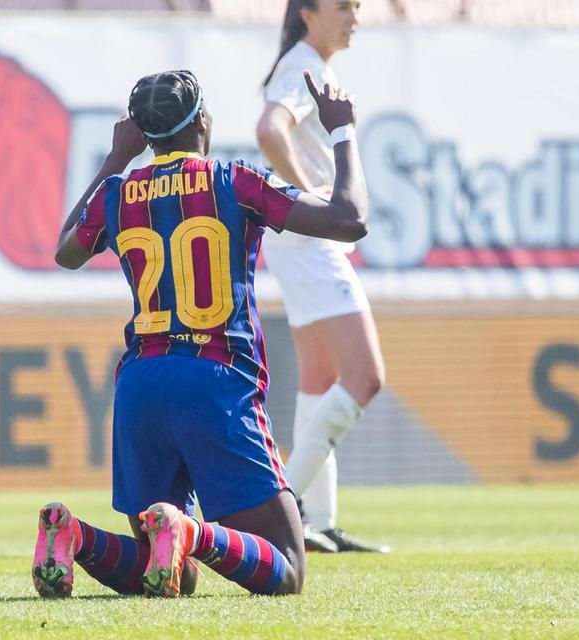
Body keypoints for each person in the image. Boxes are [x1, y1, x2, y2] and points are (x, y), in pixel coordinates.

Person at [32, 68, 369, 598]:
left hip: (141, 384)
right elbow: (349, 220)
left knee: (166, 574)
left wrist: (116, 158)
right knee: (288, 568)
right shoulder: (236, 180)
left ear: (142, 134)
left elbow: (65, 251)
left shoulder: (118, 193)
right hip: (215, 381)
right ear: (202, 122)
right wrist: (342, 131)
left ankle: (75, 537)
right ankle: (188, 528)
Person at [256, 0, 389, 554]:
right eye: (342, 6)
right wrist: (309, 193)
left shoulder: (312, 65)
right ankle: (276, 506)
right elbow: (269, 129)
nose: (354, 16)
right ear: (307, 13)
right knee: (364, 377)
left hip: (295, 242)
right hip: (308, 241)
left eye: (357, 6)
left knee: (320, 377)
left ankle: (316, 521)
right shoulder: (302, 67)